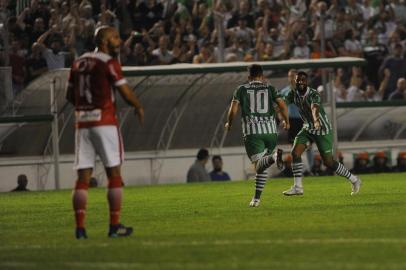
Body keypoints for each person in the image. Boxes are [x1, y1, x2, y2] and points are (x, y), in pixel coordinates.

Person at [66, 26, 144, 239]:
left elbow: (70, 95)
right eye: (116, 38)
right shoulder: (109, 62)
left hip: (82, 123)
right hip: (105, 122)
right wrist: (138, 106)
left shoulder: (78, 62)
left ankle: (80, 228)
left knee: (82, 177)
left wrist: (85, 108)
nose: (119, 41)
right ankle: (114, 225)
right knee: (114, 174)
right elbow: (125, 92)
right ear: (104, 40)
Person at [282, 71, 362, 196]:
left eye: (303, 80)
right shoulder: (293, 93)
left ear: (307, 82)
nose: (300, 82)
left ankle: (354, 179)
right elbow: (283, 104)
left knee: (329, 162)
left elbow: (315, 108)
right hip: (307, 128)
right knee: (295, 152)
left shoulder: (313, 94)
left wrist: (316, 121)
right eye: (298, 80)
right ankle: (298, 187)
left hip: (322, 129)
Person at [225, 64, 289, 207]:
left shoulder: (241, 89)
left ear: (248, 77)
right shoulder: (270, 89)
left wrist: (229, 123)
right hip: (271, 132)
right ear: (262, 76)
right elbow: (283, 106)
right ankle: (256, 199)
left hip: (253, 132)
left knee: (258, 166)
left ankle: (274, 157)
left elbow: (233, 110)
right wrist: (286, 121)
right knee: (262, 166)